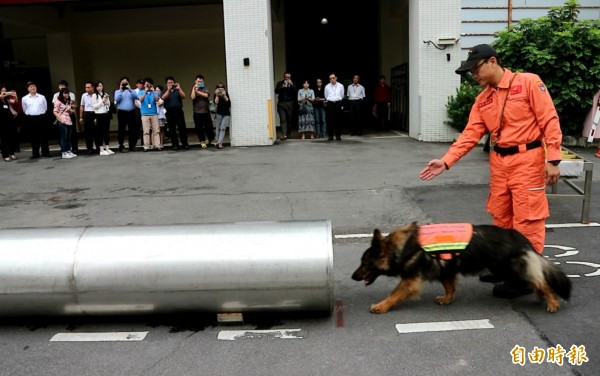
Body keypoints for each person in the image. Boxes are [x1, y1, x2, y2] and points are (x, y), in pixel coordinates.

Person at [419, 44, 563, 299]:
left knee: (527, 221)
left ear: (493, 61)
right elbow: (469, 135)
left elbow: (549, 119)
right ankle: (505, 266)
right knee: (501, 219)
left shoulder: (528, 82)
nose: (473, 75)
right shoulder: (483, 99)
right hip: (499, 163)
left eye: (475, 69)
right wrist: (446, 160)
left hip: (528, 160)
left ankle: (527, 277)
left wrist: (553, 158)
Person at [21, 81, 49, 159]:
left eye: (34, 86)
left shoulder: (42, 97)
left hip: (41, 117)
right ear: (28, 89)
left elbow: (45, 107)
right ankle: (35, 153)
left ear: (36, 88)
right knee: (33, 137)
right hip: (31, 119)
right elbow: (24, 109)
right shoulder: (24, 98)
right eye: (31, 87)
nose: (33, 88)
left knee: (44, 136)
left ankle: (45, 152)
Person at [161, 76, 188, 150]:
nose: (170, 84)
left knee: (182, 128)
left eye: (171, 82)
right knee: (172, 129)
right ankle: (175, 144)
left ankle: (185, 143)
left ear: (174, 83)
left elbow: (184, 96)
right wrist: (168, 90)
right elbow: (163, 98)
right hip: (169, 112)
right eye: (168, 83)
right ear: (166, 84)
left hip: (178, 111)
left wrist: (179, 89)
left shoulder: (177, 90)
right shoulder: (164, 90)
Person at [52, 80, 78, 152]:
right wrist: (60, 117)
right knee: (63, 135)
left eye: (63, 86)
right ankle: (64, 150)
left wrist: (71, 110)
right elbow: (56, 108)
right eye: (60, 86)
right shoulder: (56, 96)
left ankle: (71, 149)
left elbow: (70, 104)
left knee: (71, 133)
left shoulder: (70, 95)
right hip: (61, 117)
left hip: (69, 116)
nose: (61, 87)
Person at [114, 76, 139, 152]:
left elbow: (136, 97)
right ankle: (121, 146)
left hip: (131, 112)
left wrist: (130, 89)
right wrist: (121, 90)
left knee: (132, 129)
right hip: (122, 112)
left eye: (126, 83)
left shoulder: (132, 91)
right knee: (121, 130)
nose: (124, 84)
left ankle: (132, 146)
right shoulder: (117, 91)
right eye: (123, 83)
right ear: (120, 83)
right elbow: (117, 100)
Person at [137, 78, 161, 151]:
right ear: (144, 85)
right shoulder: (141, 92)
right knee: (146, 131)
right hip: (144, 113)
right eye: (146, 84)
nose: (147, 85)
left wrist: (153, 92)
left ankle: (157, 145)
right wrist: (145, 91)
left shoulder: (155, 92)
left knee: (156, 130)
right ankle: (146, 146)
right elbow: (140, 99)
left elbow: (157, 100)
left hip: (154, 113)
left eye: (149, 84)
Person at [190, 74, 213, 149]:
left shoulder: (205, 88)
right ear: (195, 81)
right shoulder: (194, 88)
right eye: (198, 81)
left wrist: (198, 91)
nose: (199, 82)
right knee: (199, 128)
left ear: (203, 81)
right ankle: (202, 141)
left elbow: (206, 95)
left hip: (206, 112)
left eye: (201, 81)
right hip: (197, 113)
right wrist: (194, 89)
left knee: (209, 127)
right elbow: (192, 97)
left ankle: (211, 140)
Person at [92, 81, 114, 156]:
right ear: (95, 87)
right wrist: (102, 101)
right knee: (100, 132)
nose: (99, 87)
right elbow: (94, 106)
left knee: (106, 132)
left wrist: (107, 100)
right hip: (99, 115)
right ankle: (101, 149)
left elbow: (109, 104)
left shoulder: (105, 94)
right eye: (98, 86)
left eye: (101, 86)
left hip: (106, 114)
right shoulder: (94, 95)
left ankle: (107, 148)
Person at [274, 71, 297, 140]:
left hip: (289, 103)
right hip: (281, 103)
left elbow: (295, 91)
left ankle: (288, 134)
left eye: (289, 77)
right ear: (284, 77)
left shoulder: (292, 83)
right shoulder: (280, 83)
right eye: (286, 77)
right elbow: (276, 91)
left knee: (289, 120)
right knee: (283, 119)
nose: (287, 79)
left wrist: (291, 84)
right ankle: (284, 135)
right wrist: (282, 87)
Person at [79, 81, 100, 154]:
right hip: (87, 114)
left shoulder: (97, 95)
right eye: (86, 87)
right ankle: (89, 149)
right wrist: (81, 117)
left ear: (93, 87)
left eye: (88, 87)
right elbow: (82, 105)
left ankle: (99, 148)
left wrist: (97, 117)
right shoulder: (84, 95)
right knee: (88, 133)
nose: (87, 89)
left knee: (97, 132)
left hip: (95, 113)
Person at [0, 85, 19, 161]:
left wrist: (15, 95)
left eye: (5, 90)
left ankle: (12, 153)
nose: (4, 92)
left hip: (9, 121)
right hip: (1, 122)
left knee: (11, 137)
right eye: (2, 90)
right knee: (4, 139)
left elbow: (15, 101)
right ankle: (5, 155)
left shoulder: (6, 100)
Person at [324, 73, 344, 141]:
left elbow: (342, 95)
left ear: (336, 78)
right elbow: (326, 96)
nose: (332, 79)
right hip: (330, 103)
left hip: (338, 103)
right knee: (330, 120)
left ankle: (338, 135)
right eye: (330, 78)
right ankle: (330, 136)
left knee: (338, 120)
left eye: (333, 78)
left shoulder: (341, 86)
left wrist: (338, 100)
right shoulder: (327, 86)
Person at [213, 82, 231, 149]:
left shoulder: (226, 94)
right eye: (219, 87)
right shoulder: (216, 94)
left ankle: (220, 142)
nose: (220, 89)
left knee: (223, 128)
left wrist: (225, 96)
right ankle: (217, 141)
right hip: (219, 113)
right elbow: (216, 102)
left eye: (222, 88)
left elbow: (229, 104)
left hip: (226, 113)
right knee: (218, 127)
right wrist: (217, 95)